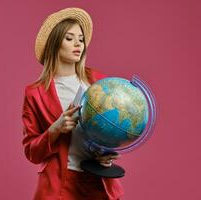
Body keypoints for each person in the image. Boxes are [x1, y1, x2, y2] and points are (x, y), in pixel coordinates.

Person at [21, 7, 124, 200]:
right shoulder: (35, 93)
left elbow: (112, 129)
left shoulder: (99, 82)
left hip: (99, 182)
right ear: (54, 44)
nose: (78, 44)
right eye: (69, 38)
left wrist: (107, 156)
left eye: (81, 39)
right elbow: (31, 152)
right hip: (60, 186)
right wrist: (55, 129)